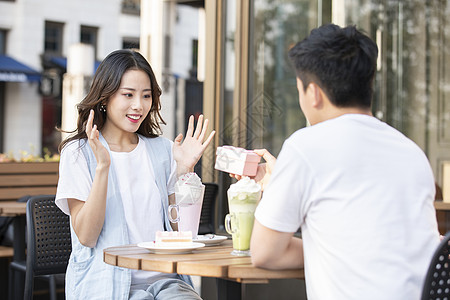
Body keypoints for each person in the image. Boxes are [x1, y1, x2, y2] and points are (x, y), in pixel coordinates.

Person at [243, 24, 440, 299]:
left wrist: (324, 246)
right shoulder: (413, 152)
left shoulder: (306, 147)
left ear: (313, 93)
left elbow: (264, 253)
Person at [55, 49, 215, 299]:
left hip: (166, 281)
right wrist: (103, 167)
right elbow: (86, 236)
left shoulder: (163, 150)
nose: (138, 106)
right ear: (105, 98)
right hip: (107, 283)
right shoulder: (79, 153)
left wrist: (185, 172)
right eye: (128, 94)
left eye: (146, 96)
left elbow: (182, 233)